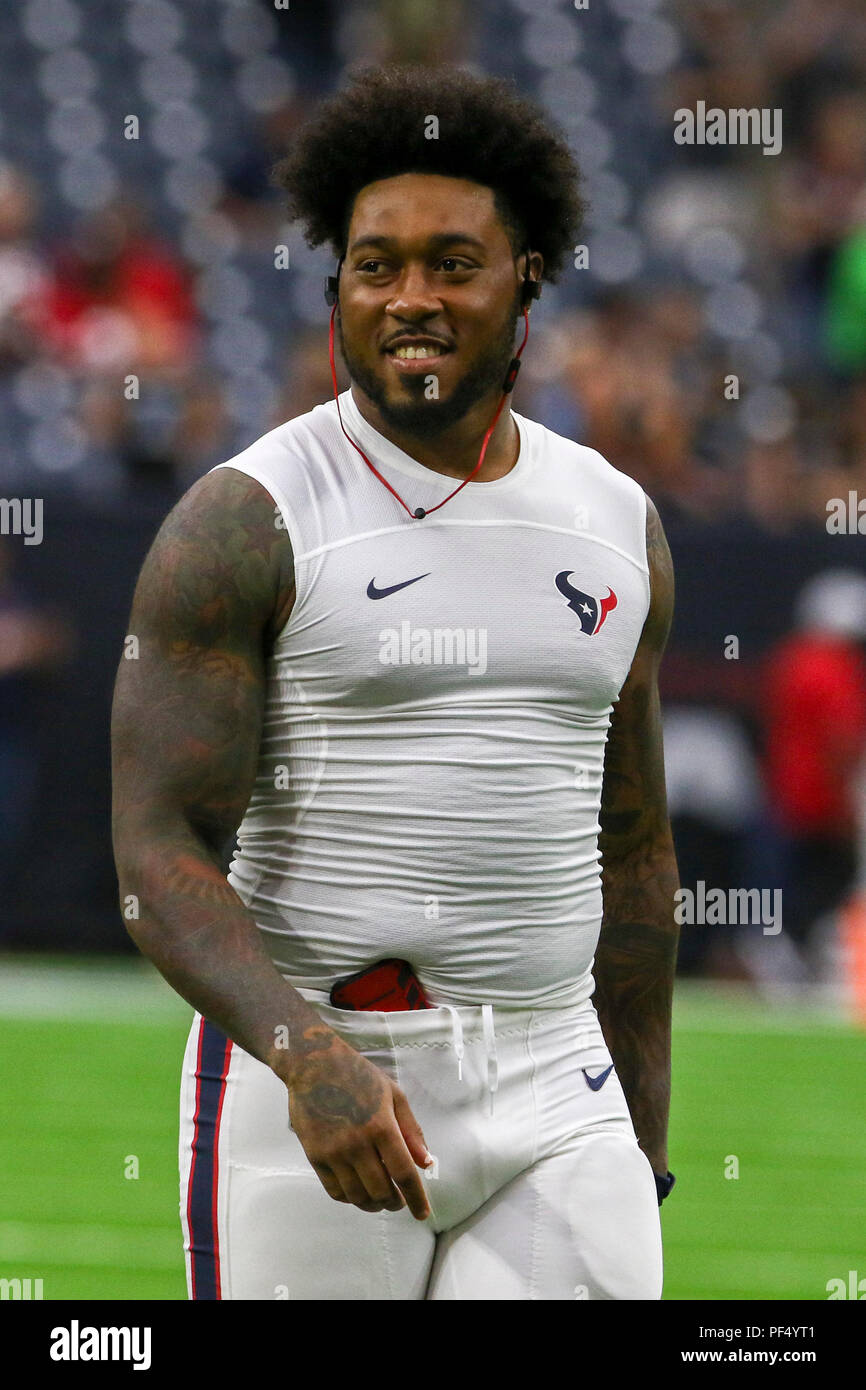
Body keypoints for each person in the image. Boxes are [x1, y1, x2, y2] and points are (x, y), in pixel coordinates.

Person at [111, 66, 680, 1301]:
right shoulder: (245, 516)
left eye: (451, 262)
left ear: (526, 277)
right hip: (311, 1078)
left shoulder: (614, 520)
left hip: (555, 1078)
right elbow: (157, 852)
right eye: (376, 265)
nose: (409, 297)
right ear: (335, 289)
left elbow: (632, 846)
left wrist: (644, 1125)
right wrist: (302, 1050)